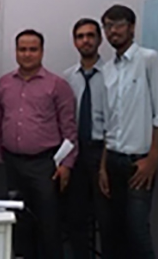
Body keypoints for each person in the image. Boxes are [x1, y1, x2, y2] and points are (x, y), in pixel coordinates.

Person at [0, 29, 78, 259]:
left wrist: (67, 165)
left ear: (42, 52)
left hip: (44, 166)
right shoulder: (4, 84)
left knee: (49, 226)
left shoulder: (57, 85)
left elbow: (69, 130)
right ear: (15, 51)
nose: (27, 54)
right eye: (22, 49)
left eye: (33, 49)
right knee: (17, 225)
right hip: (10, 164)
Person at [99, 4, 158, 259]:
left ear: (132, 27)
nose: (113, 31)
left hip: (138, 162)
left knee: (138, 233)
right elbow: (109, 124)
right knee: (113, 233)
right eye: (108, 26)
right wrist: (103, 167)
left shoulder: (150, 60)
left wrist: (153, 159)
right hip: (113, 159)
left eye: (118, 25)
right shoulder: (107, 70)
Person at [63, 18, 111, 259]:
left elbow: (117, 119)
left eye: (90, 35)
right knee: (76, 217)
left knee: (107, 217)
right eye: (80, 36)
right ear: (74, 42)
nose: (86, 41)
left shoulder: (112, 74)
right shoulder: (67, 78)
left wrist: (104, 162)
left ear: (99, 39)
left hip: (103, 150)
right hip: (75, 152)